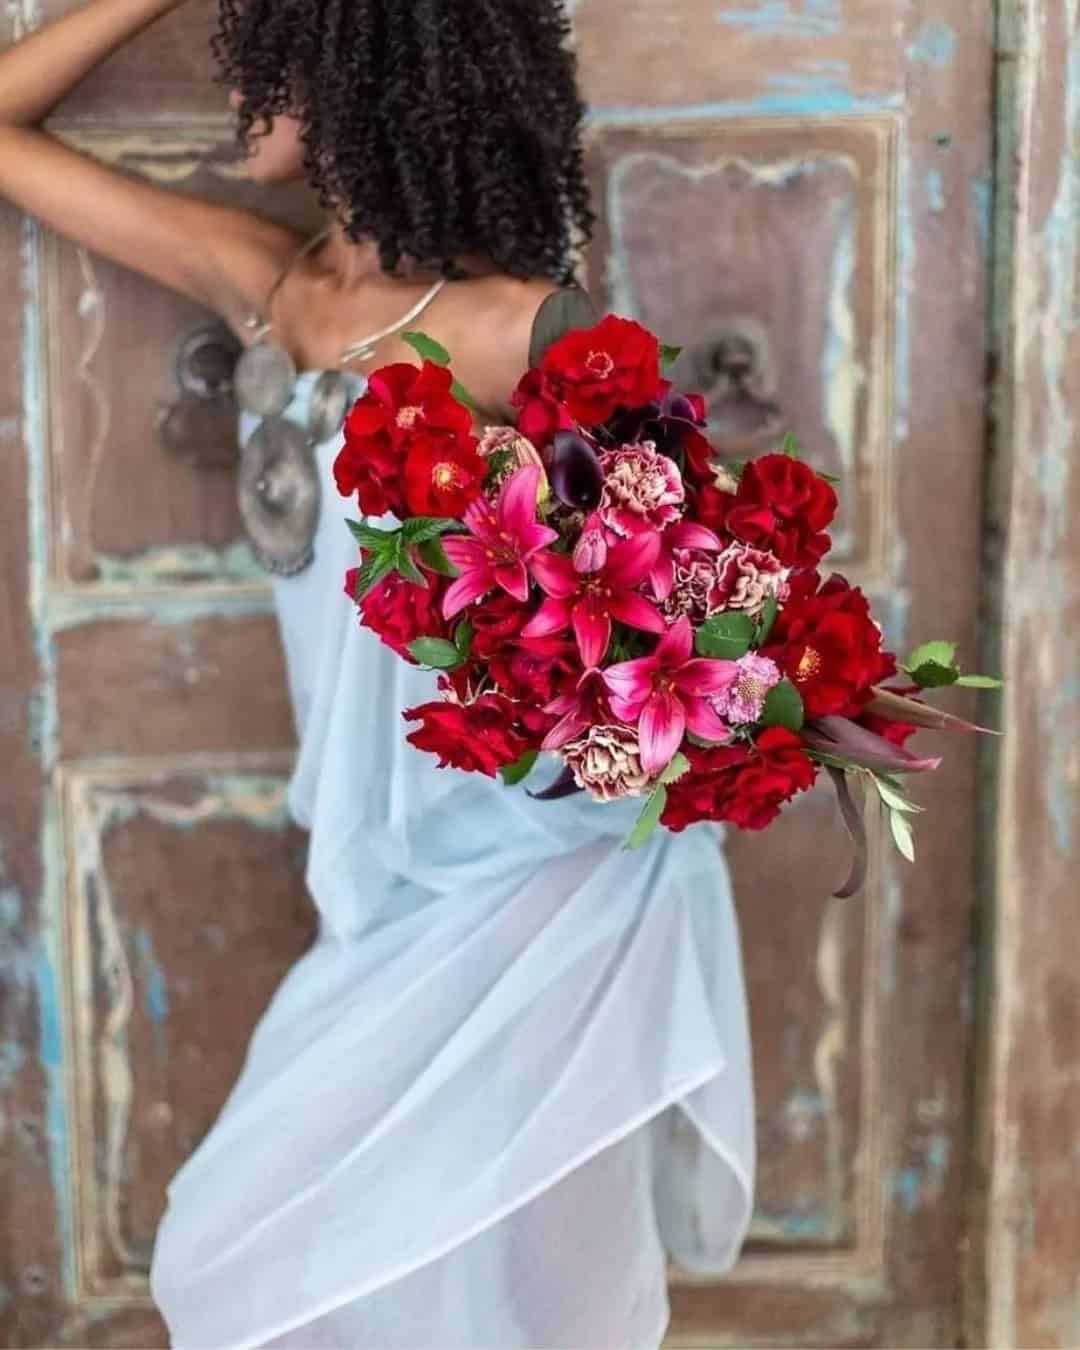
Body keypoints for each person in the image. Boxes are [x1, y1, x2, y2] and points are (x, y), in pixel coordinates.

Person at [0, 1, 755, 1344]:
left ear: (367, 62)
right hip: (378, 878)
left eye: (266, 44)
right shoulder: (267, 284)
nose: (238, 86)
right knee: (278, 1262)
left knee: (553, 1292)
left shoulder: (523, 330)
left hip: (546, 875)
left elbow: (691, 624)